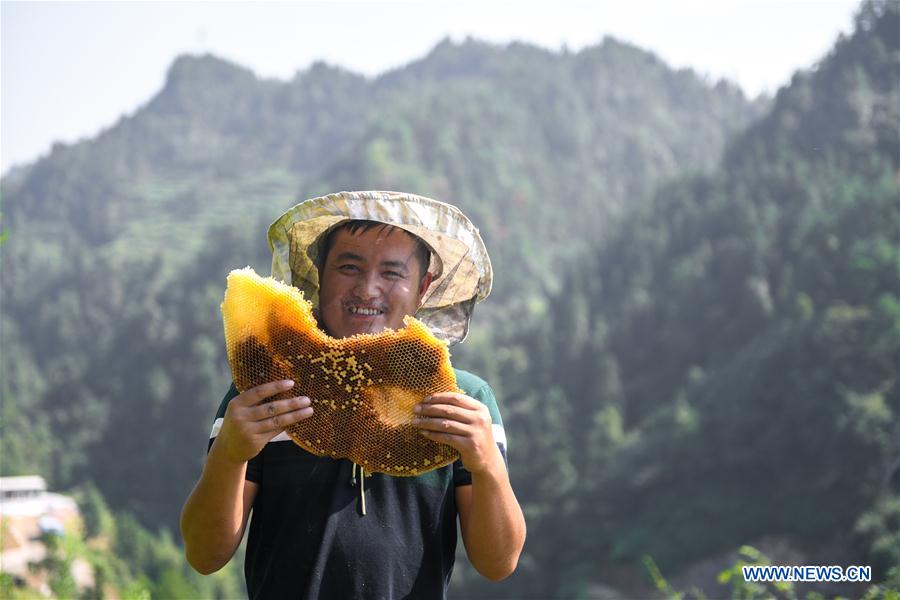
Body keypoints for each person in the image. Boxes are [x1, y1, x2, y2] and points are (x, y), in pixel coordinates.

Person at [181, 191, 525, 599]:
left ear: (423, 288)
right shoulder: (265, 390)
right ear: (318, 275)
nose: (367, 288)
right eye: (349, 266)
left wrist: (487, 467)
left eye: (393, 273)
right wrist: (229, 453)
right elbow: (205, 555)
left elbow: (498, 563)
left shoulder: (464, 401)